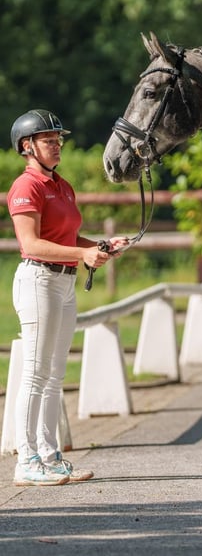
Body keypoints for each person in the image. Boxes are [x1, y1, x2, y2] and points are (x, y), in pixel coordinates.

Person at [6, 109, 129, 486]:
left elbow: (67, 239)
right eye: (48, 140)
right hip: (38, 282)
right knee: (35, 373)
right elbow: (31, 243)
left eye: (59, 139)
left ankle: (48, 454)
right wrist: (83, 256)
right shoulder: (25, 187)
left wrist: (100, 246)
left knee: (54, 375)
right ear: (27, 146)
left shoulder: (62, 185)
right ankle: (25, 460)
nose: (57, 145)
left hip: (64, 283)